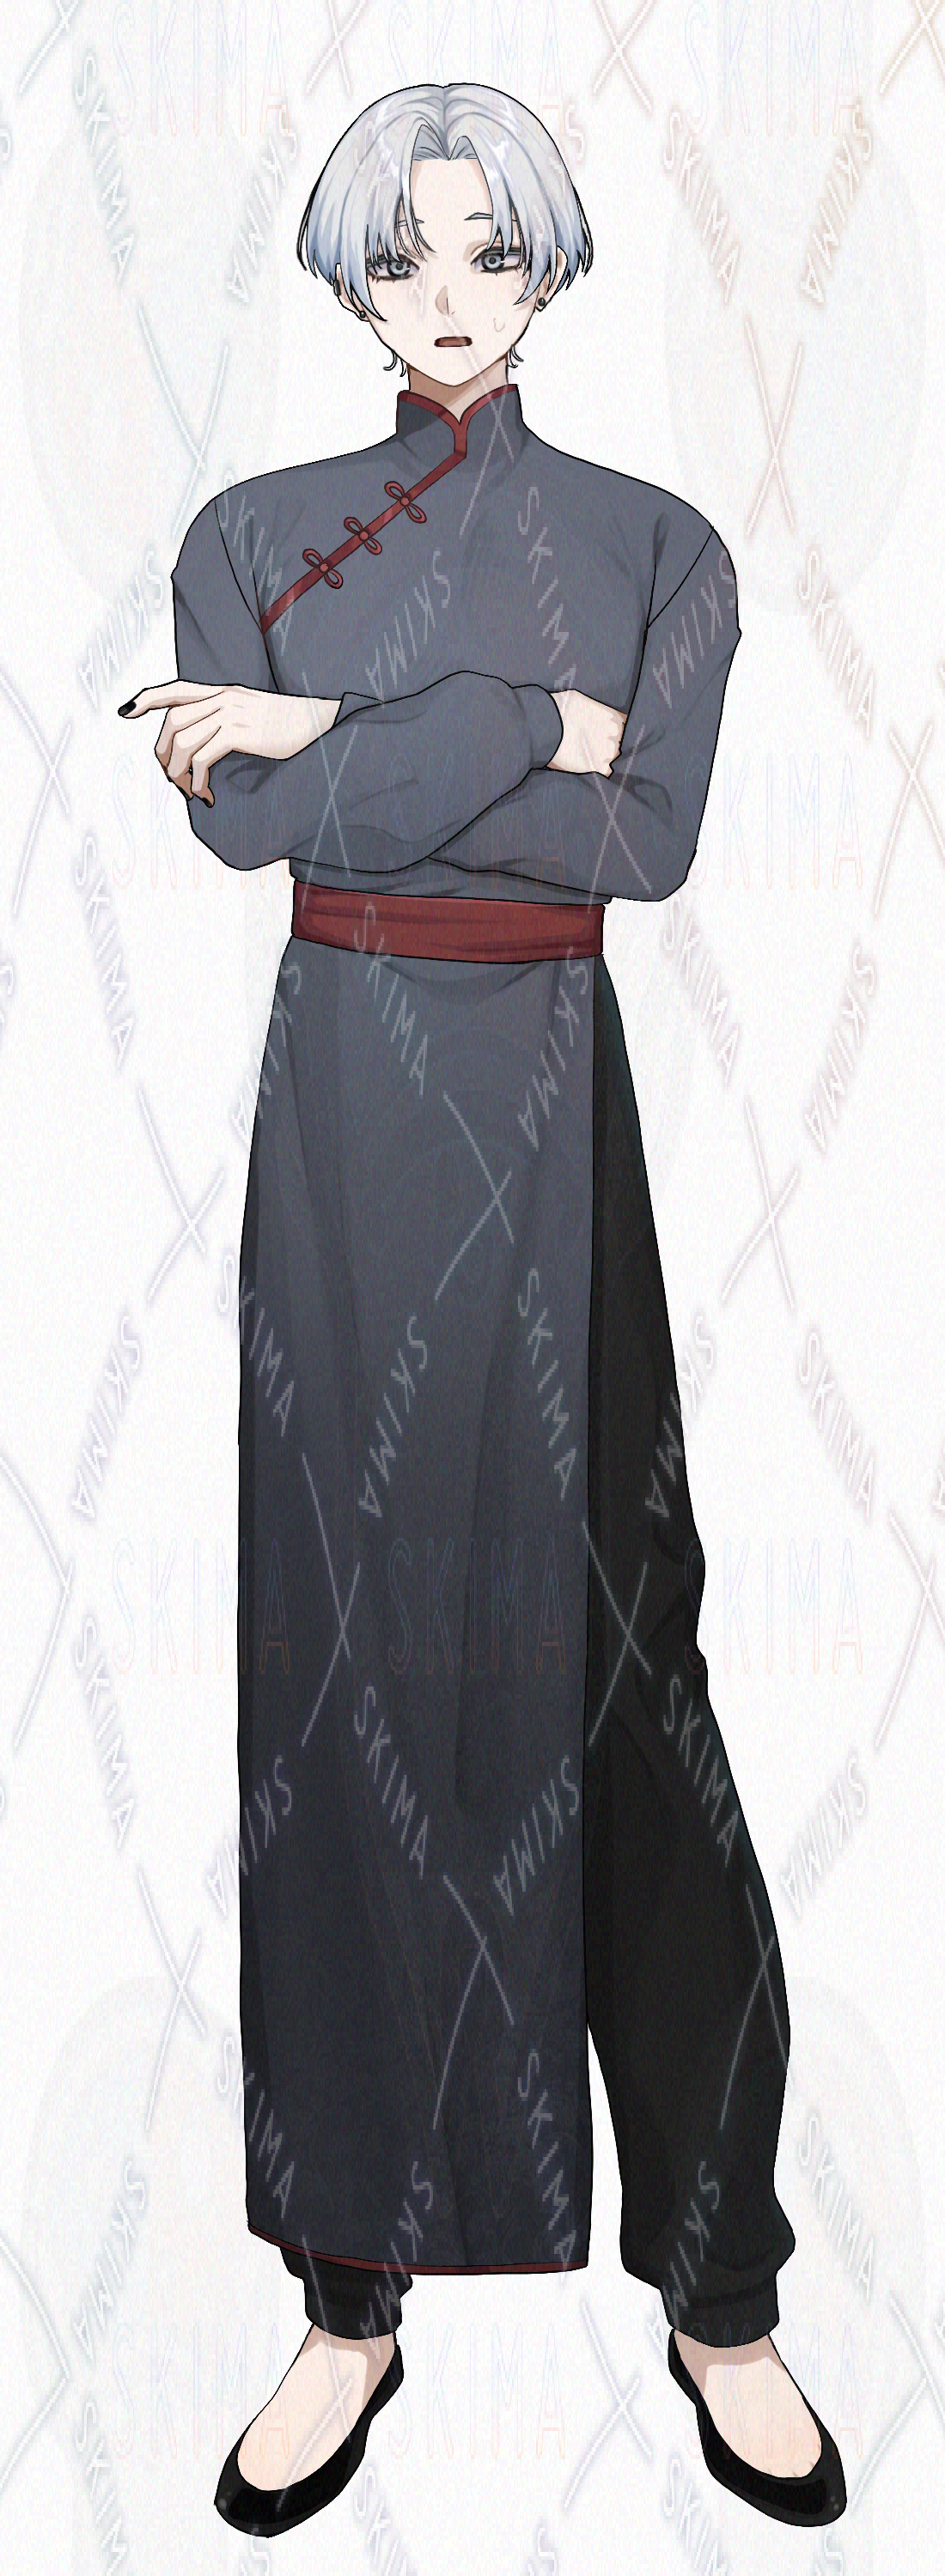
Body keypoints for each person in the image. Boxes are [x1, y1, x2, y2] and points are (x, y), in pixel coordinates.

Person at [127, 80, 847, 2543]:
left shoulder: (657, 540)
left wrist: (347, 744)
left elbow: (637, 846)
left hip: (553, 1125)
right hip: (338, 1128)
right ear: (345, 282)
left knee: (631, 1698)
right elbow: (251, 827)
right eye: (399, 258)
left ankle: (721, 2283)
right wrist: (512, 727)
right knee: (336, 1696)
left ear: (547, 270)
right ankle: (346, 2298)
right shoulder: (248, 531)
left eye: (490, 252)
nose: (446, 300)